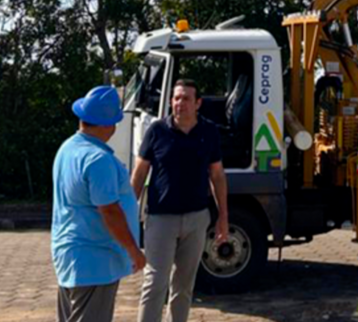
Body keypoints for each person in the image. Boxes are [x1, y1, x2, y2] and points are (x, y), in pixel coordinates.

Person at [132, 78, 229, 322]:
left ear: (198, 103)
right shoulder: (157, 131)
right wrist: (128, 213)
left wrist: (223, 218)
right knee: (155, 283)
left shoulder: (209, 131)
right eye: (176, 98)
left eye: (186, 98)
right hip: (160, 219)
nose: (180, 103)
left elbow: (217, 176)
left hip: (196, 219)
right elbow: (139, 173)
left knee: (184, 286)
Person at [52, 85, 146, 322]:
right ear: (107, 125)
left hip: (71, 258)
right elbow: (110, 211)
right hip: (95, 262)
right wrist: (133, 250)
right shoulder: (98, 159)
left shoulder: (67, 149)